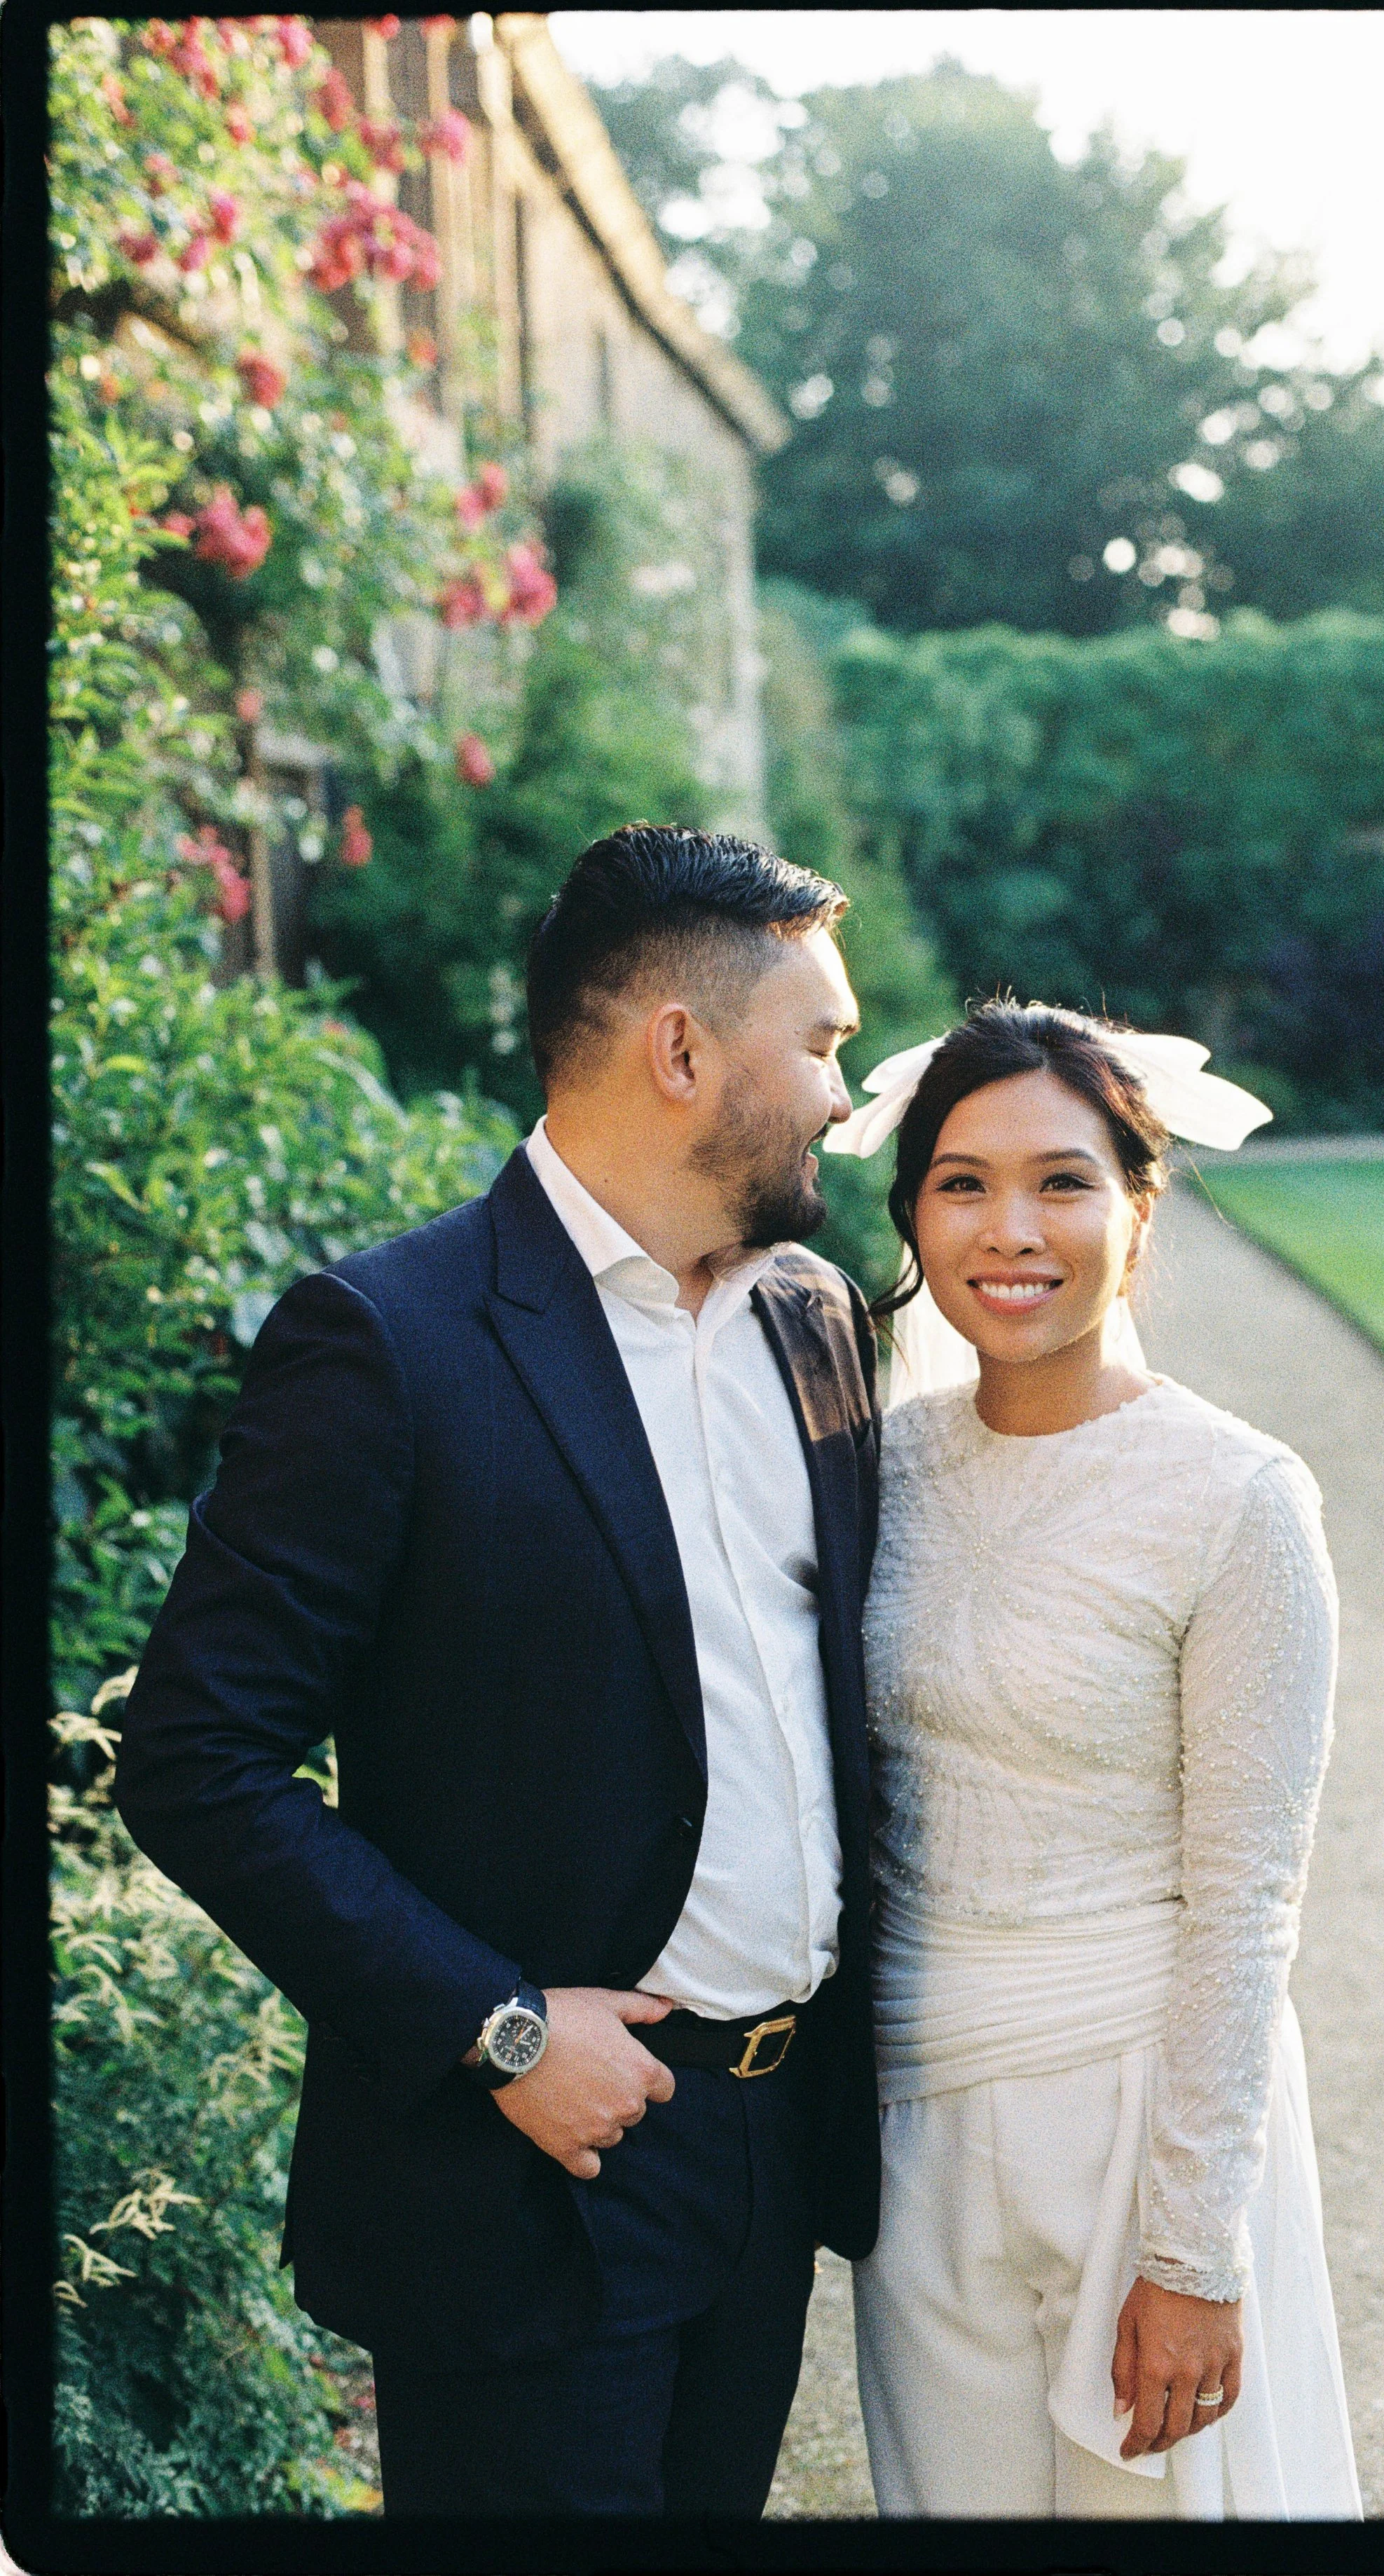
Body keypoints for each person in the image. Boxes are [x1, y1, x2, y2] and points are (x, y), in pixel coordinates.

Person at [115, 824, 880, 2519]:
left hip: (767, 2144)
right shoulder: (387, 1340)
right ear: (680, 1049)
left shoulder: (815, 1316)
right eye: (820, 1042)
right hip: (532, 2168)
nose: (845, 1093)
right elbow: (196, 1755)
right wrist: (504, 2029)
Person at [830, 1001, 1362, 2519]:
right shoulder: (876, 1465)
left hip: (1138, 2106)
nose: (1011, 1228)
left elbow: (1244, 1893)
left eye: (1062, 1180)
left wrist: (1191, 2252)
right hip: (913, 2117)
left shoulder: (1236, 1496)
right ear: (913, 1213)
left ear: (1138, 1207)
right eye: (960, 1180)